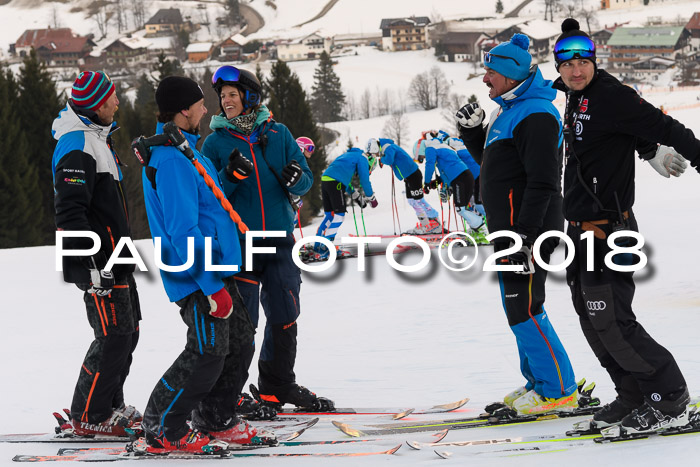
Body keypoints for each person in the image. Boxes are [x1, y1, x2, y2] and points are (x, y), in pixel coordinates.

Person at [552, 19, 699, 434]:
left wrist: (683, 152)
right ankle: (633, 392)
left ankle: (668, 396)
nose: (576, 70)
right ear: (559, 67)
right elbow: (609, 133)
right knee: (590, 315)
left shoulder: (612, 95)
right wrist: (643, 147)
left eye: (583, 62)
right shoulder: (575, 96)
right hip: (578, 229)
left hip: (609, 229)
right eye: (568, 63)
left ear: (594, 63)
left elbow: (664, 125)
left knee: (612, 318)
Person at [139, 76, 273, 453]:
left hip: (215, 269)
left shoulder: (186, 150)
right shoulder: (170, 160)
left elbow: (210, 208)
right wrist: (211, 287)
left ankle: (216, 416)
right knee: (207, 352)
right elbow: (183, 229)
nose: (206, 109)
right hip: (196, 276)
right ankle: (162, 425)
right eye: (200, 104)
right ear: (184, 109)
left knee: (241, 340)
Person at [456, 33, 578, 415]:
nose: (485, 79)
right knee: (519, 306)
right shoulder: (510, 109)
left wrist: (524, 235)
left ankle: (558, 390)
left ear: (510, 74)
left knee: (524, 306)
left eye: (490, 71)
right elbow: (498, 167)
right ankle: (540, 382)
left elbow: (543, 180)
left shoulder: (537, 114)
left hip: (529, 229)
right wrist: (473, 134)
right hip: (512, 229)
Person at [201, 66, 334, 412]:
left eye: (232, 94)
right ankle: (229, 394)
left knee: (285, 311)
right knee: (242, 322)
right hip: (239, 242)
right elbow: (209, 193)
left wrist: (298, 179)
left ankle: (277, 385)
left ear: (250, 96)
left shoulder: (279, 133)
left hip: (278, 238)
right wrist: (229, 176)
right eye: (223, 96)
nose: (226, 101)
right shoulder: (214, 142)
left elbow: (305, 179)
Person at [52, 71, 142, 437]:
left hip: (115, 258)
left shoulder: (96, 138)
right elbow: (70, 211)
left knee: (128, 332)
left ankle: (110, 404)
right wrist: (89, 265)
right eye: (111, 99)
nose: (118, 103)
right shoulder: (77, 144)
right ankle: (89, 413)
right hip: (97, 263)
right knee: (112, 336)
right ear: (94, 104)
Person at [415, 134, 488, 243]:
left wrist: (426, 183)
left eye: (423, 156)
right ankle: (479, 228)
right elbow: (447, 172)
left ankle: (482, 229)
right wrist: (440, 183)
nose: (425, 157)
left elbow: (429, 165)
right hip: (466, 176)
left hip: (463, 178)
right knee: (468, 206)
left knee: (463, 208)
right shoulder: (442, 147)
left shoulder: (430, 147)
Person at [314, 145, 379, 258]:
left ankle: (318, 246)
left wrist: (356, 195)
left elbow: (343, 176)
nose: (368, 171)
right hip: (335, 182)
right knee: (339, 216)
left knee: (330, 215)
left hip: (326, 180)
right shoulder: (363, 158)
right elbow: (364, 180)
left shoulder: (350, 155)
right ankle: (326, 248)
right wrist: (371, 198)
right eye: (369, 169)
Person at [366, 137, 441, 234]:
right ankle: (425, 224)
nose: (377, 155)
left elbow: (388, 160)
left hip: (413, 175)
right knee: (412, 201)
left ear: (376, 148)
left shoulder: (388, 147)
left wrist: (381, 160)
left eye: (375, 153)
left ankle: (435, 222)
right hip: (409, 177)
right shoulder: (387, 148)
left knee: (419, 200)